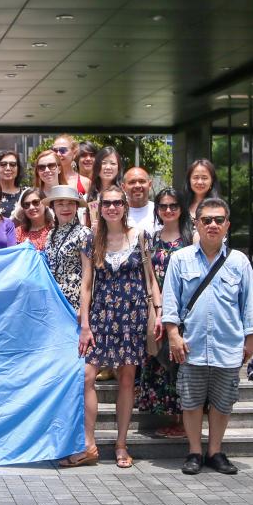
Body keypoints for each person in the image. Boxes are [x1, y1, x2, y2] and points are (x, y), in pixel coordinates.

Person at [163, 199, 253, 475]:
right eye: (206, 220)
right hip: (191, 344)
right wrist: (172, 334)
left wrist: (249, 339)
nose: (213, 225)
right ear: (197, 224)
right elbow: (171, 301)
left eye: (219, 220)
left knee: (222, 401)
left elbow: (249, 304)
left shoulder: (239, 261)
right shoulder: (180, 259)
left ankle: (215, 451)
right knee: (191, 401)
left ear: (228, 225)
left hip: (228, 344)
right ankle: (194, 451)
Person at [77, 185, 162, 469]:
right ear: (99, 208)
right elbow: (86, 285)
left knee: (127, 380)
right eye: (107, 203)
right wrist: (85, 324)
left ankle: (121, 444)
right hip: (102, 317)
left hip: (133, 316)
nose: (112, 207)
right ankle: (89, 444)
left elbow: (151, 280)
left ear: (125, 206)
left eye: (117, 203)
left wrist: (158, 314)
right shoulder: (92, 240)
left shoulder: (139, 236)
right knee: (87, 376)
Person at [42, 186, 93, 466]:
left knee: (76, 378)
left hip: (74, 313)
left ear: (77, 206)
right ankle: (63, 441)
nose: (65, 208)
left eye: (70, 203)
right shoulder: (51, 234)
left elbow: (88, 279)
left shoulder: (84, 234)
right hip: (54, 313)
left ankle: (84, 444)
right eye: (59, 203)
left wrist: (84, 317)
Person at [136, 188, 193, 437]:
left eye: (173, 205)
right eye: (163, 206)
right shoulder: (151, 238)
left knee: (184, 364)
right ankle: (173, 418)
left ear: (181, 208)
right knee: (162, 362)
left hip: (188, 310)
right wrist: (159, 310)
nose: (168, 210)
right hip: (159, 309)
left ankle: (185, 421)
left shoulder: (193, 238)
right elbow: (150, 278)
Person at [182, 159, 221, 230]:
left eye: (204, 178)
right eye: (196, 177)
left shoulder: (220, 208)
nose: (200, 182)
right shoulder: (181, 206)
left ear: (212, 181)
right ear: (189, 180)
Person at [0, 150, 26, 217]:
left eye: (12, 164)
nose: (8, 168)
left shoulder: (26, 194)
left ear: (18, 170)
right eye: (3, 164)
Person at [123, 166, 157, 235]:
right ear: (123, 187)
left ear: (150, 185)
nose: (137, 186)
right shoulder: (116, 213)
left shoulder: (160, 211)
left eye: (142, 181)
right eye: (132, 182)